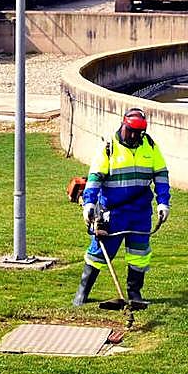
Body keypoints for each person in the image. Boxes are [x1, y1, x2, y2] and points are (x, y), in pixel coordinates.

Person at [73, 107, 171, 306]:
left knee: (139, 254)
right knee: (99, 252)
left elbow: (161, 176)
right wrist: (89, 203)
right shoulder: (109, 148)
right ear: (123, 125)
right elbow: (94, 177)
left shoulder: (150, 147)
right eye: (130, 131)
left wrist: (163, 202)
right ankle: (82, 293)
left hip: (140, 213)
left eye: (138, 132)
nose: (134, 136)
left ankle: (134, 293)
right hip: (112, 213)